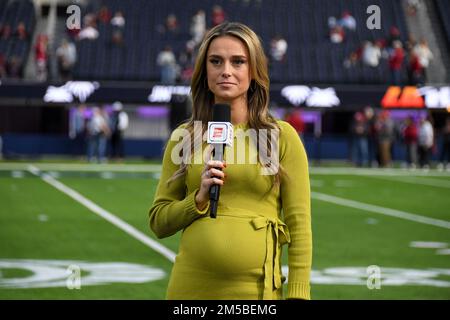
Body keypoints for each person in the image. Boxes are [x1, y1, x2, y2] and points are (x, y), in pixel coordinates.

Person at [148, 22, 312, 300]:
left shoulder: (281, 136)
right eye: (216, 61)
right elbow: (159, 222)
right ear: (204, 71)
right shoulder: (183, 137)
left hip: (256, 291)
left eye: (238, 61)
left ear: (254, 70)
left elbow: (300, 226)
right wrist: (197, 200)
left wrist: (298, 293)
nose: (226, 70)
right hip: (190, 289)